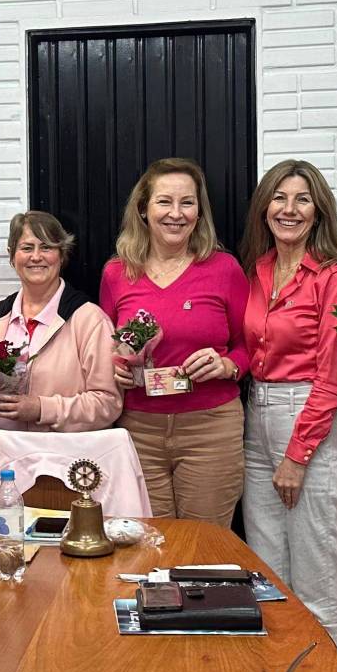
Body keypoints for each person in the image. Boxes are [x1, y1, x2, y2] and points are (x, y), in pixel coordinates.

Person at [239, 160, 337, 648]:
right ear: (265, 206)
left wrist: (297, 454)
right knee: (267, 582)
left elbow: (334, 375)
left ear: (318, 211)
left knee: (317, 586)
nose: (289, 209)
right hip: (256, 417)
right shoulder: (257, 270)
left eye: (302, 199)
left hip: (309, 420)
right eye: (280, 198)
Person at [98, 158, 248, 522]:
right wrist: (118, 370)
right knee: (150, 546)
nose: (176, 214)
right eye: (164, 201)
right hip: (138, 430)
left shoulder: (224, 269)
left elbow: (251, 344)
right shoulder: (117, 272)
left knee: (205, 547)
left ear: (199, 211)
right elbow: (112, 345)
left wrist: (228, 365)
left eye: (187, 202)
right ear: (144, 210)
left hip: (210, 428)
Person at [0, 210, 120, 432]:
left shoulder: (88, 320)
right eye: (27, 248)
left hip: (62, 457)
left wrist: (42, 409)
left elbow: (108, 403)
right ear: (12, 255)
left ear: (61, 254)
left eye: (46, 247)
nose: (36, 257)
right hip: (5, 454)